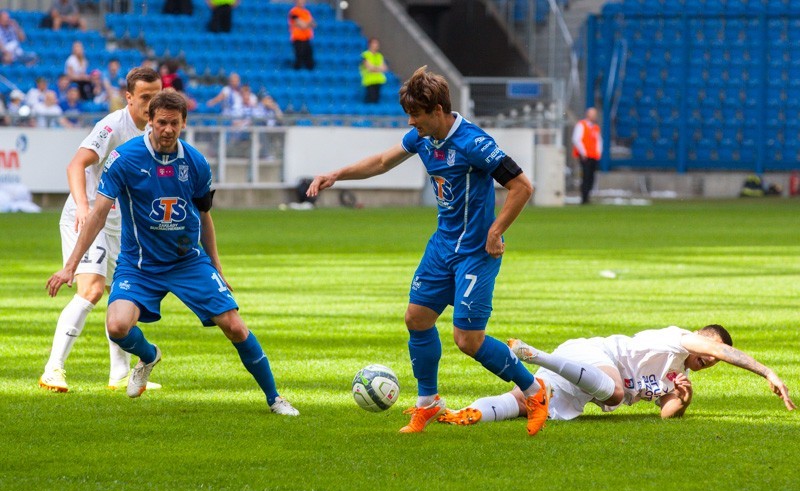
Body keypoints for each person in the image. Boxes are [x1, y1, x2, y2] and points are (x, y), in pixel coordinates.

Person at [306, 66, 540, 434]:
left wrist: (496, 231)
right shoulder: (422, 138)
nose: (411, 122)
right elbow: (382, 162)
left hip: (476, 251)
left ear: (438, 111)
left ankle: (534, 392)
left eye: (416, 115)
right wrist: (336, 174)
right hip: (442, 246)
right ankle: (427, 403)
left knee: (468, 340)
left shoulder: (473, 143)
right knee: (416, 319)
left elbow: (522, 186)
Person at [45, 90, 300, 416]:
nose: (167, 129)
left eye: (174, 123)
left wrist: (217, 266)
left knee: (234, 326)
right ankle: (149, 355)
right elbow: (98, 214)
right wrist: (70, 267)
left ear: (183, 124)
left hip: (187, 262)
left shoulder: (196, 162)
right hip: (139, 264)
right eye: (161, 122)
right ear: (149, 122)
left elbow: (205, 216)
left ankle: (274, 398)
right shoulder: (124, 159)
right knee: (117, 326)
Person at [38, 67, 163, 394]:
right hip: (86, 219)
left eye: (156, 96)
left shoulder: (156, 135)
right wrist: (82, 205)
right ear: (129, 98)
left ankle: (119, 373)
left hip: (121, 228)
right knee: (91, 290)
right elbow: (76, 164)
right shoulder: (111, 126)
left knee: (121, 296)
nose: (151, 104)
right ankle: (53, 368)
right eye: (145, 97)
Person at [438, 325, 796, 430]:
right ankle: (537, 354)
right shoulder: (678, 338)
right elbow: (721, 350)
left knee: (525, 403)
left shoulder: (678, 375)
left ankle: (459, 413)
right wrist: (767, 371)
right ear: (700, 337)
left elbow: (665, 413)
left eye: (712, 358)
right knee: (612, 394)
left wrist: (684, 401)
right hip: (593, 356)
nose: (710, 358)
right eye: (710, 350)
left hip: (584, 380)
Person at [572, 107, 602, 205]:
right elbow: (576, 139)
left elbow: (598, 141)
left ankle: (588, 196)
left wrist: (599, 152)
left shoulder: (596, 127)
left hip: (594, 155)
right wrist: (583, 152)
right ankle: (584, 198)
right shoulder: (581, 125)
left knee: (591, 177)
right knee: (586, 176)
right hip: (585, 156)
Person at [288, 0, 315, 70]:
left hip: (307, 38)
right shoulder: (294, 12)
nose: (302, 2)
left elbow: (314, 24)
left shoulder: (306, 12)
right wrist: (307, 24)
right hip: (298, 38)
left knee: (309, 59)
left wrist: (305, 24)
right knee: (299, 58)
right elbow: (301, 24)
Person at [360, 38, 387, 104]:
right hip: (369, 81)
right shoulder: (365, 55)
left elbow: (384, 68)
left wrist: (374, 68)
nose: (376, 45)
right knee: (369, 100)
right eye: (374, 43)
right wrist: (378, 68)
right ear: (370, 44)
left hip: (378, 81)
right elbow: (369, 68)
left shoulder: (379, 55)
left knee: (376, 100)